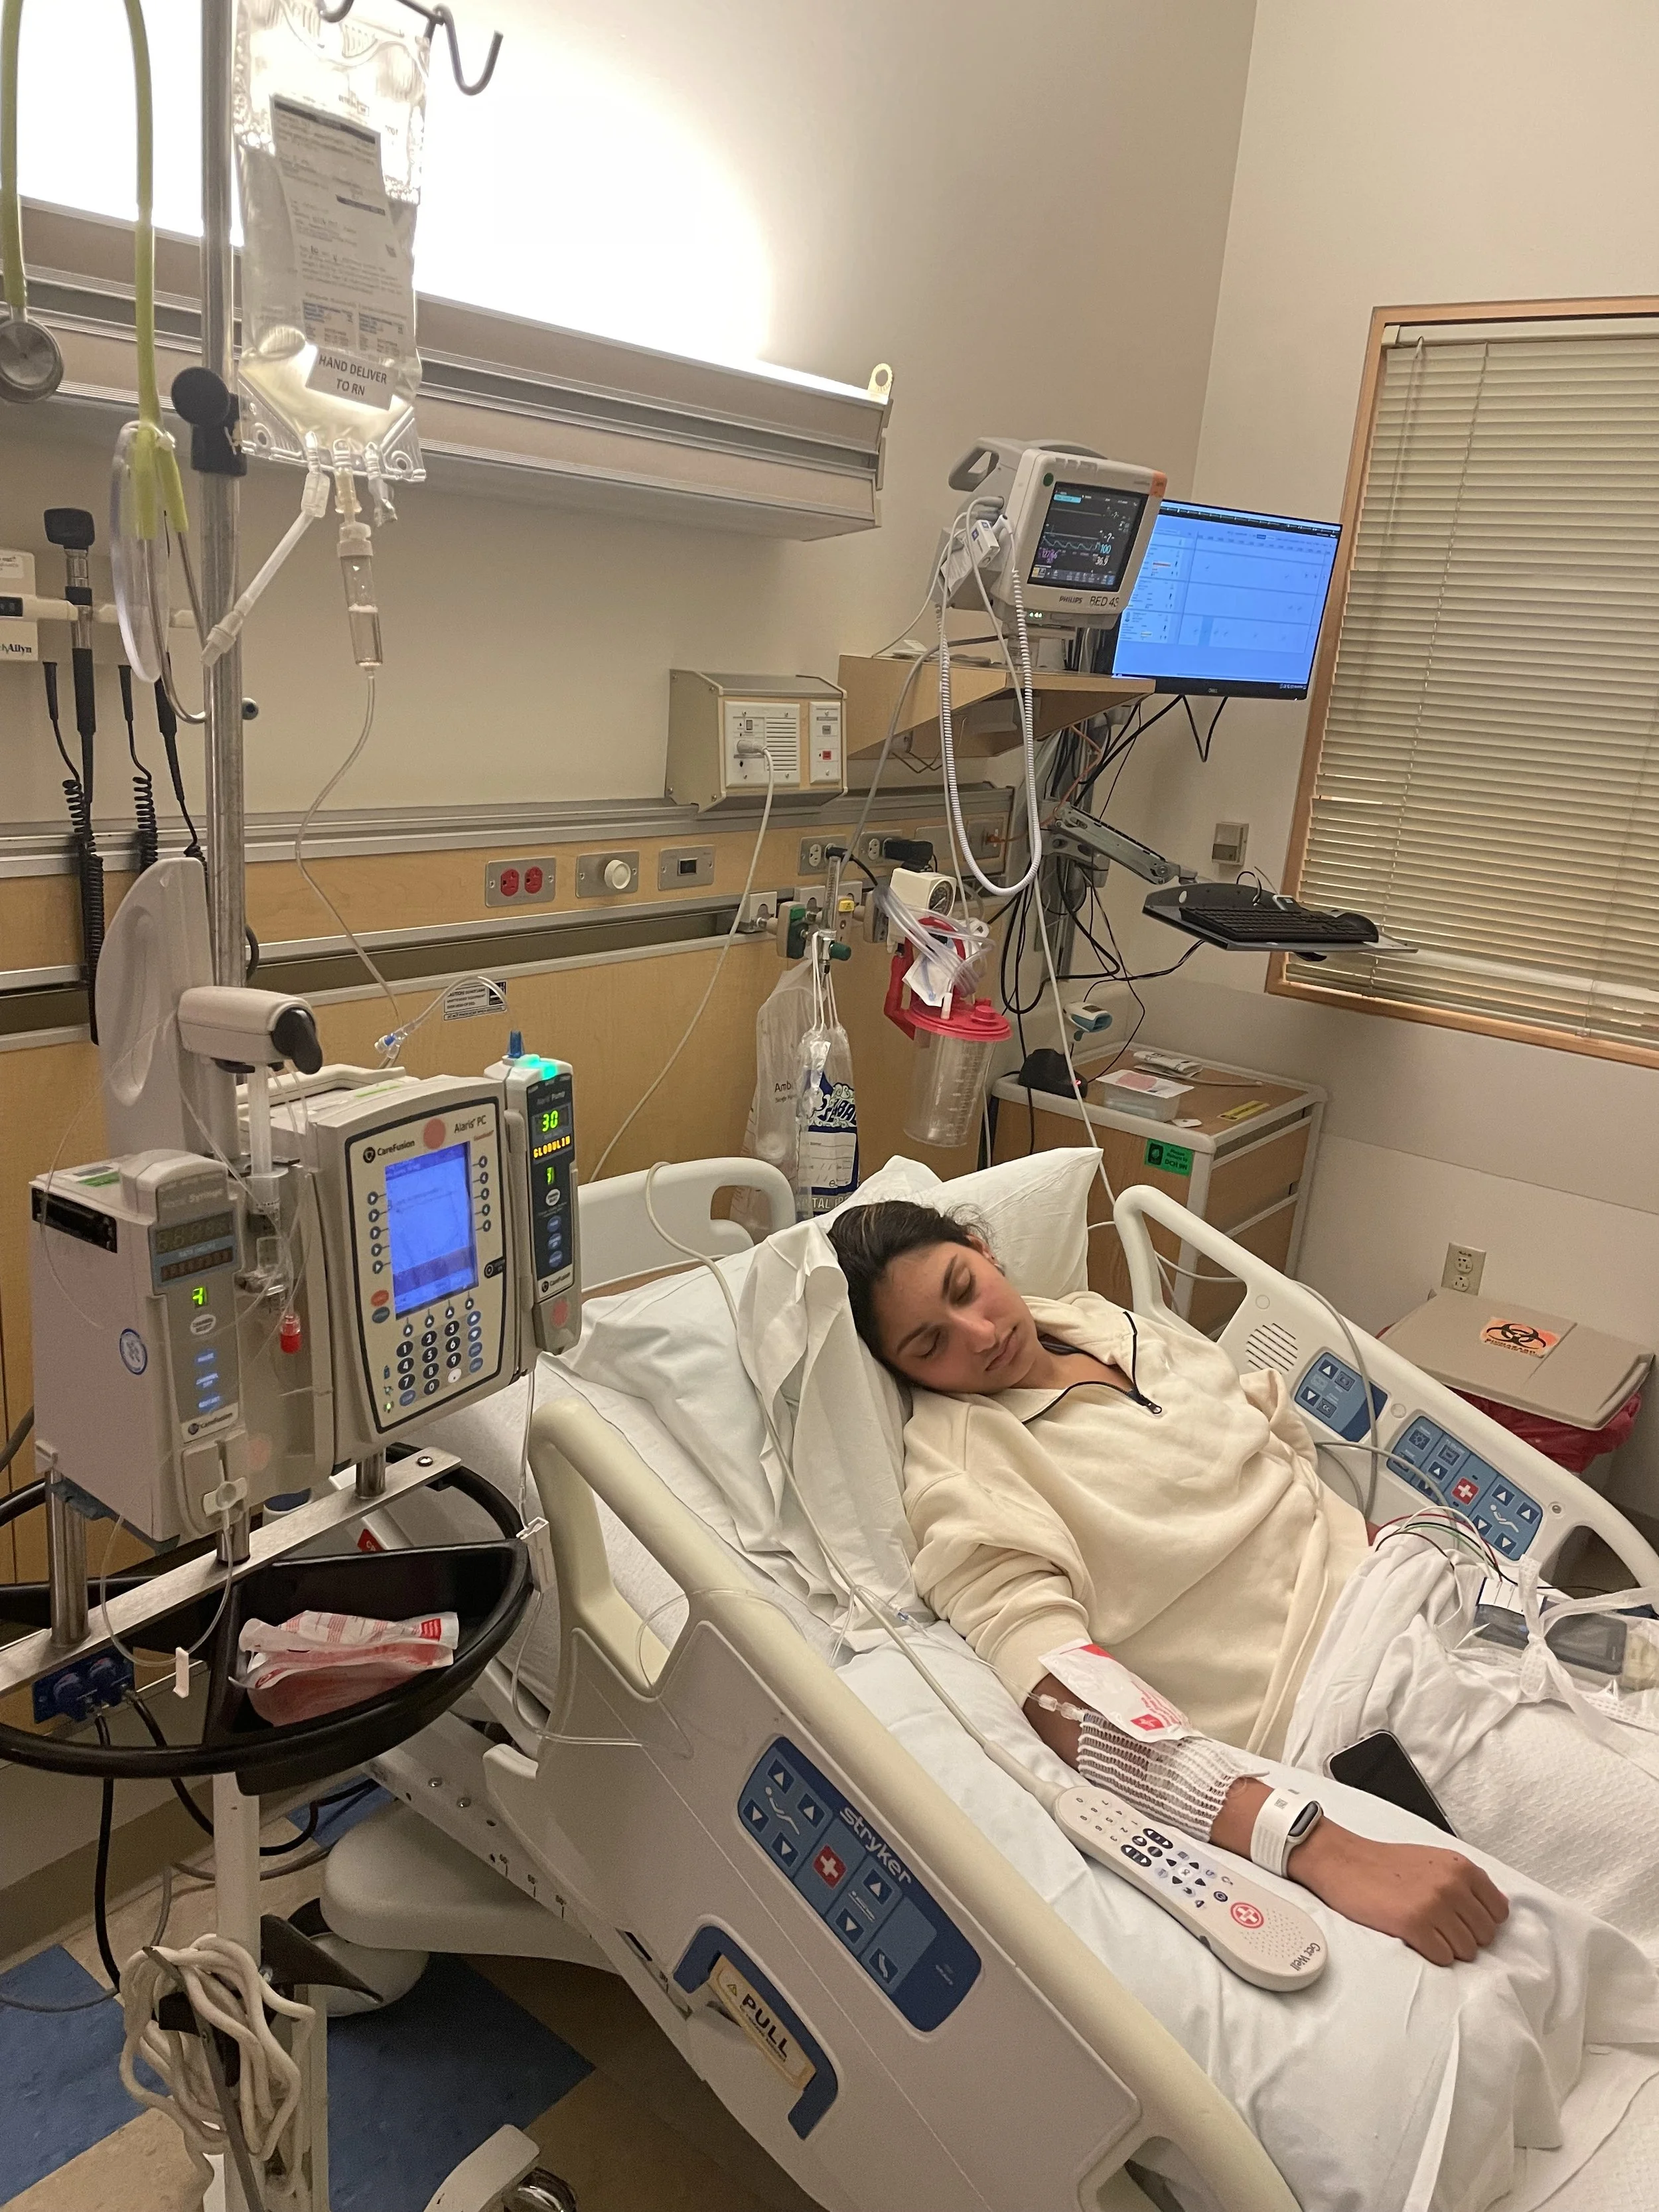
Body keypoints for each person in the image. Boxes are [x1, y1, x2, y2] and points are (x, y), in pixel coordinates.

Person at [827, 1198, 1512, 1966]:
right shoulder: (966, 1472)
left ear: (983, 1249)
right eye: (930, 1344)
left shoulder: (1098, 1322)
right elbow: (1068, 1700)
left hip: (1438, 1595)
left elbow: (1263, 1427)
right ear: (900, 1373)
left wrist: (1368, 1539)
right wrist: (1310, 1841)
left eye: (964, 1288)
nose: (981, 1336)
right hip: (1355, 1701)